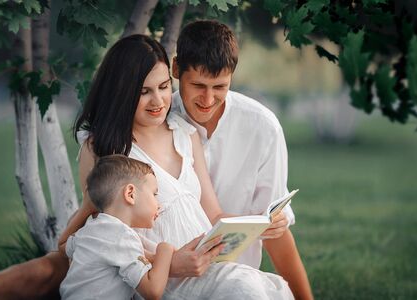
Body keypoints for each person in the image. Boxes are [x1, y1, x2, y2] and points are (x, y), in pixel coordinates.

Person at [70, 33, 293, 299]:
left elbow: (213, 216)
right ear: (122, 91)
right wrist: (170, 263)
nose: (158, 101)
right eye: (144, 92)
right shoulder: (101, 149)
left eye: (164, 87)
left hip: (203, 268)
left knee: (247, 289)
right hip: (150, 276)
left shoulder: (184, 134)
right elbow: (101, 233)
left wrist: (259, 224)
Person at [170, 20, 313, 299]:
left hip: (240, 283)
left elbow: (275, 234)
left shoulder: (262, 127)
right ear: (176, 69)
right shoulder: (160, 122)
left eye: (220, 86)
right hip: (173, 280)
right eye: (198, 85)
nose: (208, 99)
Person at [60, 155, 174, 300]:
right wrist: (165, 249)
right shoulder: (122, 237)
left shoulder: (90, 228)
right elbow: (153, 291)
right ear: (130, 194)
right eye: (154, 194)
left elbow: (62, 246)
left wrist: (86, 207)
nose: (159, 204)